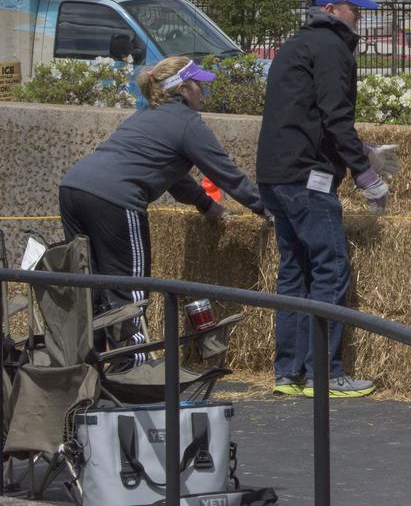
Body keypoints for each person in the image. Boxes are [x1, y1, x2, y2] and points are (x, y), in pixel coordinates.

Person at [59, 55, 264, 362]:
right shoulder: (187, 123)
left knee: (90, 285)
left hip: (73, 188)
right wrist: (268, 209)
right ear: (183, 88)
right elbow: (225, 172)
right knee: (130, 287)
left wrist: (207, 205)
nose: (202, 94)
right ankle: (132, 367)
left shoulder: (146, 116)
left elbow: (174, 178)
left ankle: (87, 367)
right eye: (199, 86)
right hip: (116, 198)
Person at [256, 0, 394, 399]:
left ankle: (289, 373)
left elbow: (308, 116)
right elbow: (336, 119)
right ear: (334, 9)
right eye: (355, 9)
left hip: (276, 174)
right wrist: (366, 176)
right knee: (330, 269)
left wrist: (359, 150)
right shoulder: (332, 47)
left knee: (294, 271)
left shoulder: (296, 45)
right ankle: (325, 374)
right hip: (307, 178)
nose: (360, 16)